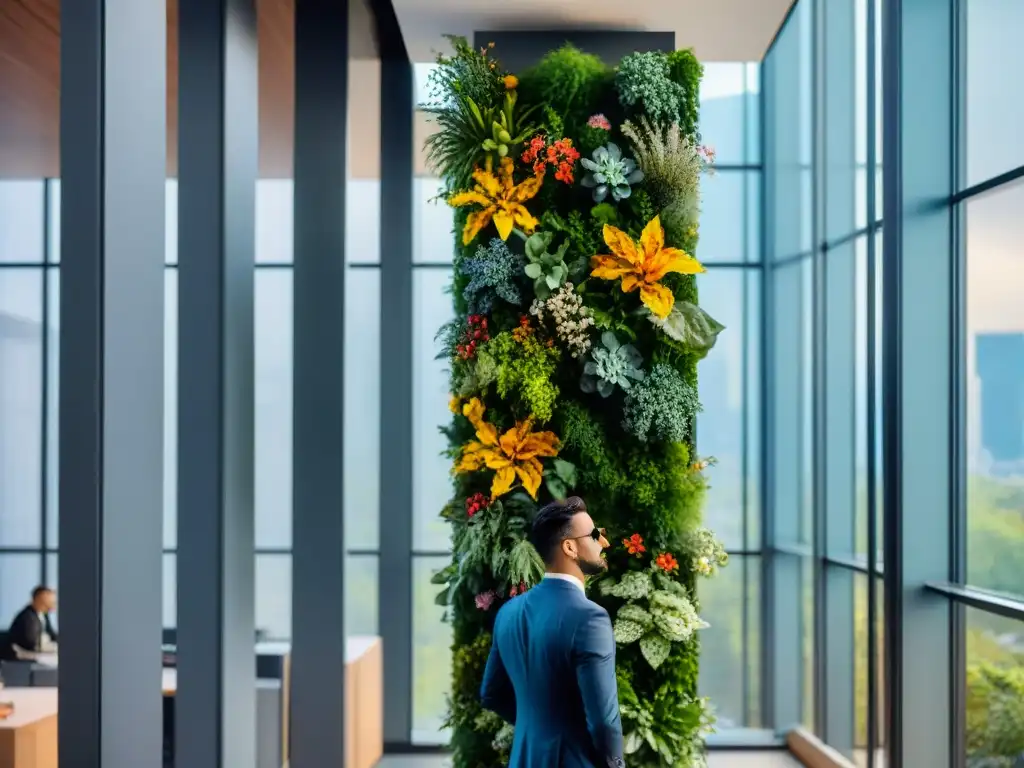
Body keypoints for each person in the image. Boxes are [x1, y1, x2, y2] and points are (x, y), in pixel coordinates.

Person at [480, 496, 625, 768]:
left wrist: (539, 726)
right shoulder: (589, 618)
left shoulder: (508, 612)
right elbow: (604, 721)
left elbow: (491, 694)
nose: (604, 542)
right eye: (595, 534)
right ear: (570, 547)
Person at [7, 586, 58, 658]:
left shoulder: (43, 614)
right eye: (50, 599)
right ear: (38, 599)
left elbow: (51, 633)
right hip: (21, 654)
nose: (53, 603)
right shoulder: (27, 617)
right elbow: (31, 642)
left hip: (35, 651)